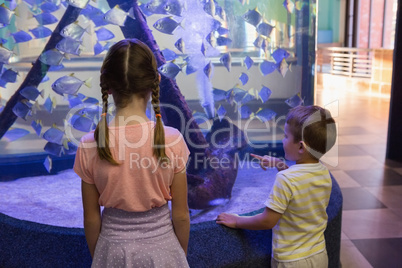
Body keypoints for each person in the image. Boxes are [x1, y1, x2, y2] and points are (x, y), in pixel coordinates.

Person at [74, 39, 190, 267]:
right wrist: (180, 255)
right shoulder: (173, 139)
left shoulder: (89, 145)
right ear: (156, 81)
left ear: (106, 84)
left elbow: (91, 218)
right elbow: (181, 215)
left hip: (111, 249)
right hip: (164, 250)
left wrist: (100, 258)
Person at [216, 105, 337, 268]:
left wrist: (237, 221)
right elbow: (300, 188)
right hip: (319, 254)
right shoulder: (323, 172)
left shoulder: (285, 179)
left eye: (286, 136)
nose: (282, 140)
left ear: (301, 146)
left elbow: (267, 221)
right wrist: (279, 164)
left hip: (291, 261)